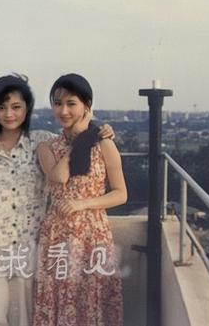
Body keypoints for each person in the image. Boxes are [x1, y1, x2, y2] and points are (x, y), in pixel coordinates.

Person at [0, 74, 113, 326]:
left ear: (27, 108)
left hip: (27, 246)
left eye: (16, 107)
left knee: (25, 320)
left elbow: (76, 137)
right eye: (1, 107)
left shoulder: (43, 142)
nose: (9, 114)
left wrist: (100, 129)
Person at [33, 73, 127, 326]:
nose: (63, 111)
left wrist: (82, 204)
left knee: (91, 299)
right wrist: (81, 139)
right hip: (57, 233)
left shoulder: (104, 146)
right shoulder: (46, 147)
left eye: (71, 104)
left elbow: (121, 193)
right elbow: (59, 176)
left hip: (92, 234)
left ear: (87, 106)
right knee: (59, 298)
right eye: (58, 103)